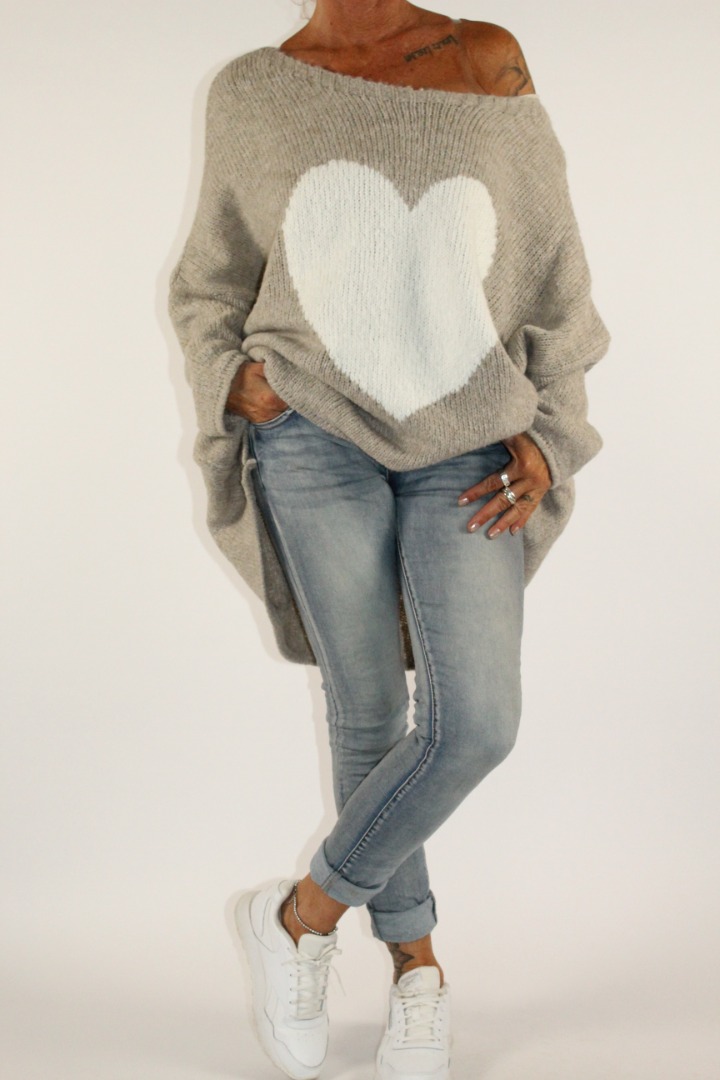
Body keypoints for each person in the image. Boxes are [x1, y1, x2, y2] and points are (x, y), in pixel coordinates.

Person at [167, 3, 611, 1078]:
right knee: (368, 709)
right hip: (310, 432)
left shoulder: (483, 56)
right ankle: (418, 972)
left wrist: (554, 428)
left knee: (476, 722)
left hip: (469, 434)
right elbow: (212, 276)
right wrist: (233, 377)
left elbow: (553, 263)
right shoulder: (253, 89)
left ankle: (299, 919)